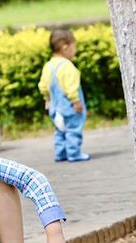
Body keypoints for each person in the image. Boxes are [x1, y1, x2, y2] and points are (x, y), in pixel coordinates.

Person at [38, 28, 90, 162]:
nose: (75, 50)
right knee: (73, 129)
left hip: (55, 108)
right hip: (69, 108)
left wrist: (47, 99)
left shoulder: (48, 66)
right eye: (74, 47)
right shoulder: (67, 67)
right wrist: (76, 102)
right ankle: (74, 153)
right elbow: (71, 88)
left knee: (60, 131)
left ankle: (60, 154)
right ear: (65, 48)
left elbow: (43, 86)